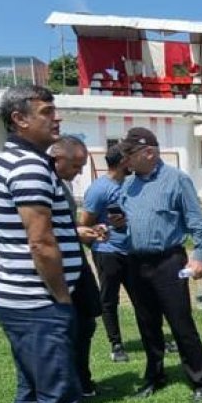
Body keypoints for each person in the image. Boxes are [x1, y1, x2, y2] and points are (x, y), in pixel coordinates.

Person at [0, 84, 124, 403]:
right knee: (57, 397)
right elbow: (41, 243)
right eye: (47, 112)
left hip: (16, 300)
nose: (56, 119)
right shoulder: (28, 168)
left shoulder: (13, 161)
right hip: (37, 303)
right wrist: (61, 296)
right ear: (19, 119)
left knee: (31, 390)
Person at [117, 127, 202, 403]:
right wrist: (112, 229)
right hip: (136, 262)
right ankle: (154, 376)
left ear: (149, 152)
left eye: (129, 153)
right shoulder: (128, 185)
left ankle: (200, 379)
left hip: (168, 262)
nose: (125, 159)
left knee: (180, 323)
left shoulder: (177, 180)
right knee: (147, 324)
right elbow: (127, 225)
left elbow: (199, 226)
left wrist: (199, 257)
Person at [49, 135, 104, 398]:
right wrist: (76, 234)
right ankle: (68, 392)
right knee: (66, 332)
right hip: (59, 270)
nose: (80, 172)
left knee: (86, 323)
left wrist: (81, 231)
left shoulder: (63, 184)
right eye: (75, 166)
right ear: (57, 159)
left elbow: (62, 227)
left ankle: (82, 382)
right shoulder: (42, 183)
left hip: (76, 263)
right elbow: (41, 235)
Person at [80, 144, 134, 363]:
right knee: (110, 299)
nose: (132, 162)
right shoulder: (99, 189)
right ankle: (116, 344)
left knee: (143, 297)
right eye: (130, 158)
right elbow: (84, 226)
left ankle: (155, 337)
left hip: (132, 251)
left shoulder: (131, 185)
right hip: (108, 253)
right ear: (122, 161)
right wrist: (98, 241)